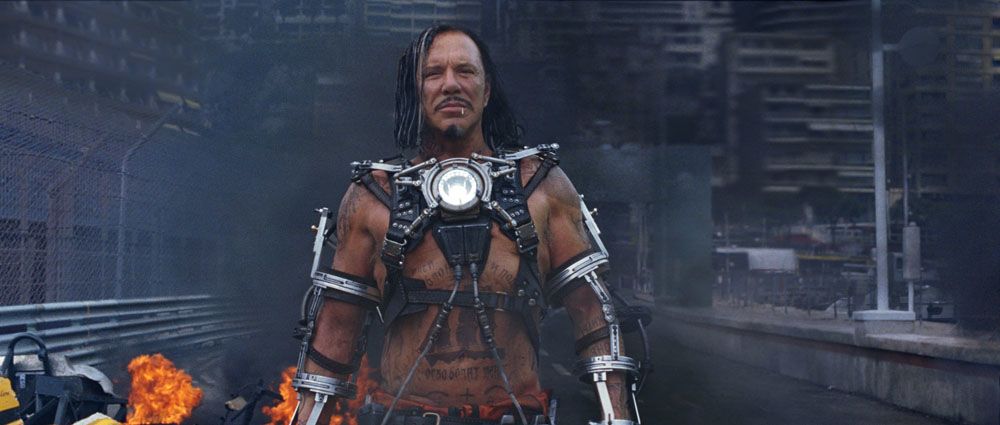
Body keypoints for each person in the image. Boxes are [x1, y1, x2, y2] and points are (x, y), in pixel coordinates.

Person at [290, 25, 643, 425]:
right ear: (415, 91)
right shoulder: (372, 195)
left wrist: (617, 417)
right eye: (433, 73)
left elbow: (593, 310)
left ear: (486, 90)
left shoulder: (541, 186)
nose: (450, 85)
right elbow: (336, 327)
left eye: (465, 71)